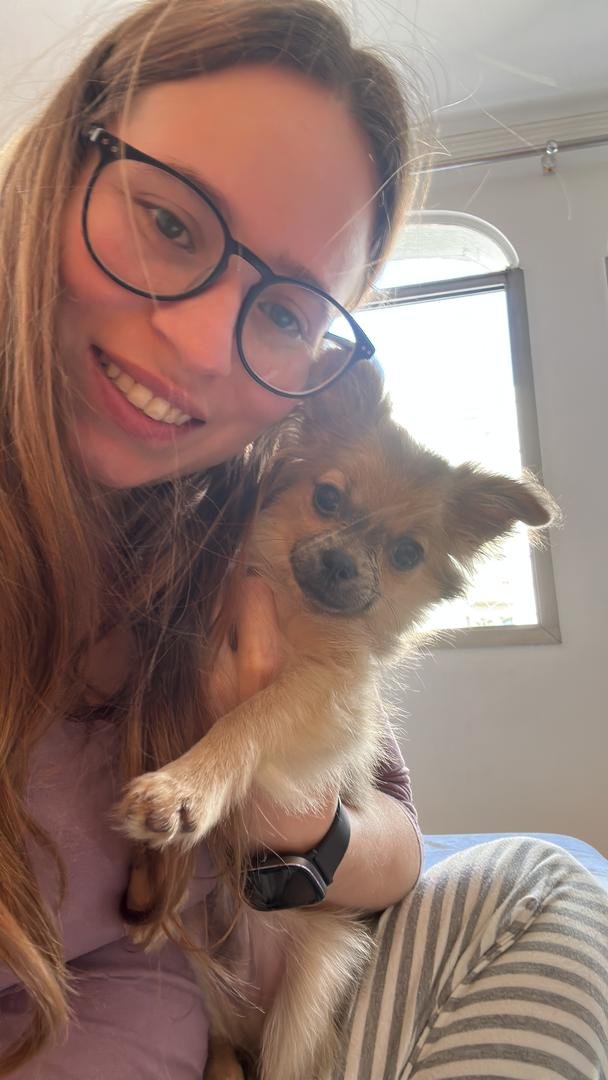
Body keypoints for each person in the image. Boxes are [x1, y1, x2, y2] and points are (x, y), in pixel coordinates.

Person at [0, 1, 606, 1077]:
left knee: (544, 880)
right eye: (168, 221)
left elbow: (390, 835)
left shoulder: (211, 513)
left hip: (206, 981)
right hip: (135, 1001)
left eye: (286, 310)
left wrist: (296, 832)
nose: (201, 342)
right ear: (56, 169)